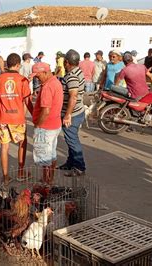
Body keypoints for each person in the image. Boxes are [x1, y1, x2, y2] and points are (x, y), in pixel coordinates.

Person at [0, 53, 33, 184]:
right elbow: (27, 101)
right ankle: (20, 172)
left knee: (4, 146)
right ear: (18, 65)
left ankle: (6, 177)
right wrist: (34, 115)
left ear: (7, 64)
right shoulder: (22, 80)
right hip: (17, 118)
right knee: (22, 144)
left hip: (2, 118)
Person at [31, 62, 63, 184]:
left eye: (38, 76)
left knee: (44, 157)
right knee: (51, 154)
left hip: (46, 127)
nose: (37, 78)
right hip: (55, 125)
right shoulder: (56, 82)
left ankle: (46, 181)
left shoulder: (47, 87)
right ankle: (50, 179)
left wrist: (38, 125)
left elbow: (46, 110)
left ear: (45, 72)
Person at [59, 49, 86, 177]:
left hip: (73, 114)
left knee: (72, 140)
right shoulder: (77, 71)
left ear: (67, 62)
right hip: (77, 111)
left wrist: (67, 114)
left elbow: (73, 97)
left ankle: (79, 167)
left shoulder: (72, 76)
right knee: (70, 139)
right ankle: (70, 163)